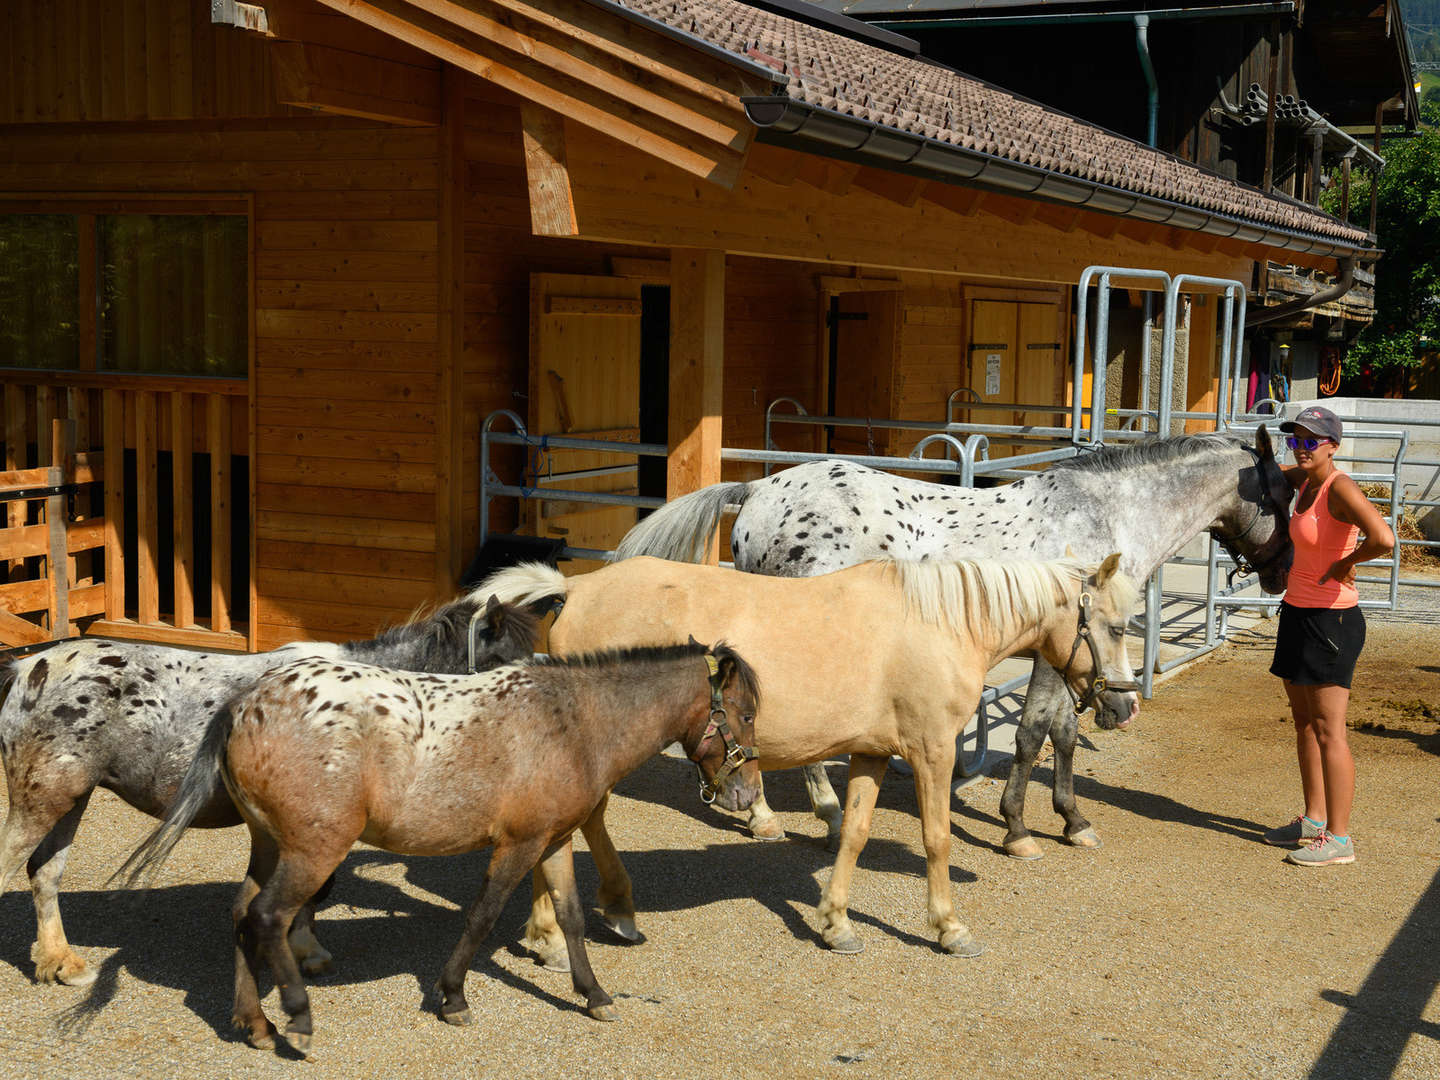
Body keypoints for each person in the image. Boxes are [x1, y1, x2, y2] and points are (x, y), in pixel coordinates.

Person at [1263, 405, 1395, 866]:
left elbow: (1384, 537)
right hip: (1297, 613)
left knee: (1329, 730)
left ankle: (1340, 839)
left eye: (1310, 441)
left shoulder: (1339, 486)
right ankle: (1314, 821)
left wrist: (1345, 565)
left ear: (1332, 447)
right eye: (1294, 440)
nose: (1300, 448)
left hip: (1332, 621)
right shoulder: (1305, 482)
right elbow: (1264, 471)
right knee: (1303, 724)